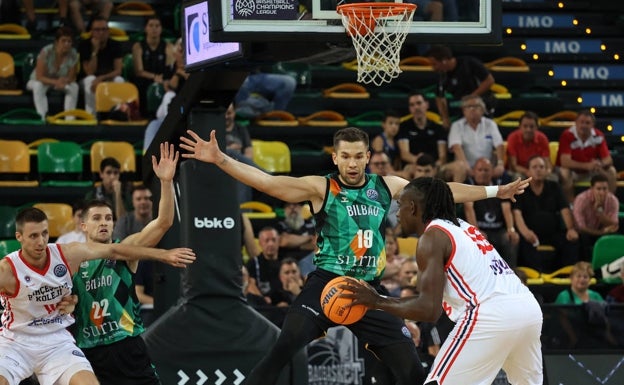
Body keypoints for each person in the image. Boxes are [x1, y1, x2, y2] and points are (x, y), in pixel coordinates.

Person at [179, 125, 530, 385]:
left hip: (369, 292)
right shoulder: (321, 187)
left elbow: (439, 192)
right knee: (283, 346)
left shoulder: (386, 185)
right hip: (326, 283)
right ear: (335, 157)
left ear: (367, 157)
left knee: (411, 371)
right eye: (345, 156)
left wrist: (496, 190)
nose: (352, 163)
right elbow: (269, 183)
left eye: (358, 156)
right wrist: (220, 159)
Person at [340, 177, 543, 385]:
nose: (397, 214)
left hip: (490, 314)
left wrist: (375, 300)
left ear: (413, 207)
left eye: (400, 207)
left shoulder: (432, 238)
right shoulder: (463, 226)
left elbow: (428, 310)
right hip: (528, 309)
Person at [0, 206, 194, 385]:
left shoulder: (67, 254)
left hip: (57, 341)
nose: (41, 241)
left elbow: (114, 250)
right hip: (17, 342)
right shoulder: (7, 270)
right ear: (19, 237)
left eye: (44, 233)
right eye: (33, 236)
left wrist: (163, 254)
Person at [72, 142, 181, 385]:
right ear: (84, 225)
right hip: (89, 351)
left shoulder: (126, 250)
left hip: (126, 345)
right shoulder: (71, 261)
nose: (104, 223)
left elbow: (163, 222)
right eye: (97, 218)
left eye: (109, 218)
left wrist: (165, 182)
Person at [513, 156, 579, 273]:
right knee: (522, 245)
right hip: (530, 234)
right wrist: (525, 232)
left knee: (572, 241)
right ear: (528, 171)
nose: (538, 170)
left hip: (553, 233)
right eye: (534, 167)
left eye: (541, 167)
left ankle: (566, 275)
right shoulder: (521, 189)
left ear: (546, 170)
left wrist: (570, 229)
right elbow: (517, 214)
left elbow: (565, 209)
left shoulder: (555, 187)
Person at [464, 157, 519, 267]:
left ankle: (511, 274)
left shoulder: (500, 185)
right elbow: (468, 208)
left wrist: (510, 229)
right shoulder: (468, 184)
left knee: (510, 239)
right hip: (478, 229)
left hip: (498, 230)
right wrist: (477, 231)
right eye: (480, 170)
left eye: (486, 170)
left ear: (492, 172)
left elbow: (506, 208)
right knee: (476, 241)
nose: (483, 173)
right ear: (474, 171)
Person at [426, 44, 495, 129]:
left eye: (435, 64)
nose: (433, 68)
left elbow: (489, 80)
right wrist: (445, 118)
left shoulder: (469, 63)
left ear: (444, 60)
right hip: (462, 110)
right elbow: (439, 97)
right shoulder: (442, 75)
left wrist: (470, 98)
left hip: (481, 105)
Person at [557, 109, 618, 203]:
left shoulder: (598, 135)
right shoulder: (567, 135)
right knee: (564, 172)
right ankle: (570, 205)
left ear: (592, 125)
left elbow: (608, 160)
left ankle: (608, 202)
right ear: (576, 123)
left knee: (612, 171)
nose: (584, 125)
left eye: (587, 123)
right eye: (581, 122)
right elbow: (565, 162)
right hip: (573, 172)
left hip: (592, 170)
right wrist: (587, 165)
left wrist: (599, 164)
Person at [112, 184, 155, 307]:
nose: (143, 202)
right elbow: (118, 248)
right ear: (133, 202)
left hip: (155, 266)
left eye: (147, 198)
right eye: (139, 199)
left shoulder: (157, 219)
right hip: (130, 268)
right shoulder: (124, 221)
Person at [397, 92, 454, 180]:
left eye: (419, 103)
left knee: (458, 167)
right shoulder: (404, 127)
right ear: (410, 109)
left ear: (426, 105)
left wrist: (432, 166)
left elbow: (442, 156)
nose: (416, 107)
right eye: (412, 105)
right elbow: (405, 154)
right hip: (414, 164)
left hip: (435, 165)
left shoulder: (438, 127)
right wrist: (422, 163)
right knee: (409, 170)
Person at [26, 26, 79, 119]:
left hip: (59, 82)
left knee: (74, 87)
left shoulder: (73, 53)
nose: (67, 44)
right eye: (63, 40)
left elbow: (72, 77)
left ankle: (70, 119)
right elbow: (39, 77)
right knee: (39, 86)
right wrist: (56, 82)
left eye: (69, 41)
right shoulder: (46, 51)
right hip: (38, 81)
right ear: (56, 42)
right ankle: (42, 117)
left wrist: (65, 81)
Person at [448, 95, 505, 179]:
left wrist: (500, 164)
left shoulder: (490, 124)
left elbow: (499, 145)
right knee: (460, 168)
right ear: (464, 110)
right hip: (466, 166)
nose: (472, 109)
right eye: (469, 107)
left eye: (476, 106)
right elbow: (456, 147)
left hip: (486, 166)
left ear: (482, 109)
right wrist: (467, 167)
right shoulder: (456, 126)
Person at [78, 16, 124, 115]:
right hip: (87, 80)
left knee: (119, 80)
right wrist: (95, 50)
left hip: (107, 78)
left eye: (104, 29)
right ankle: (92, 116)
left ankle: (117, 114)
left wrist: (101, 78)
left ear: (108, 31)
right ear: (91, 32)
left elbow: (118, 70)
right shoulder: (84, 45)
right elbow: (89, 71)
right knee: (90, 79)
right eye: (97, 30)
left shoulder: (115, 45)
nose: (101, 33)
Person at [131, 15, 175, 118]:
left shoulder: (168, 46)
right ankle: (144, 115)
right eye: (151, 25)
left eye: (157, 26)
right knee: (140, 83)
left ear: (161, 29)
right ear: (145, 28)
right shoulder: (138, 46)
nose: (154, 29)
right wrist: (154, 77)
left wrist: (162, 79)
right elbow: (139, 71)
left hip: (162, 78)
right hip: (144, 79)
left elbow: (169, 67)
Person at [573, 174, 620, 261]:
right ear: (591, 189)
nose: (602, 192)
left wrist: (599, 212)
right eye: (598, 189)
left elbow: (614, 224)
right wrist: (601, 233)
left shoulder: (613, 200)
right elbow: (581, 227)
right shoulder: (581, 199)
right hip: (585, 233)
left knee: (614, 235)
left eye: (605, 189)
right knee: (582, 237)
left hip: (602, 232)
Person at [506, 111, 552, 179]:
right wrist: (528, 172)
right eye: (525, 126)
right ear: (520, 127)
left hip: (538, 170)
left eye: (531, 126)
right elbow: (514, 166)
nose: (528, 129)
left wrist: (547, 172)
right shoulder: (512, 138)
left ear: (537, 127)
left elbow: (547, 163)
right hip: (520, 171)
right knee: (518, 178)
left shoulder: (543, 138)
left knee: (552, 178)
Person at [276, 201, 316, 278]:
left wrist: (294, 244)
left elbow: (317, 244)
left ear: (301, 208)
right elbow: (284, 241)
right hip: (288, 263)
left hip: (310, 262)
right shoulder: (280, 225)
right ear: (284, 210)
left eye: (295, 204)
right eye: (288, 206)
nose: (292, 208)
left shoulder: (311, 224)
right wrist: (309, 238)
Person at [245, 226, 282, 304]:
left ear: (279, 241)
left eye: (273, 240)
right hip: (261, 307)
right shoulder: (253, 264)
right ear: (260, 243)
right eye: (267, 240)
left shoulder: (286, 262)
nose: (270, 244)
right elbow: (249, 285)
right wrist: (263, 300)